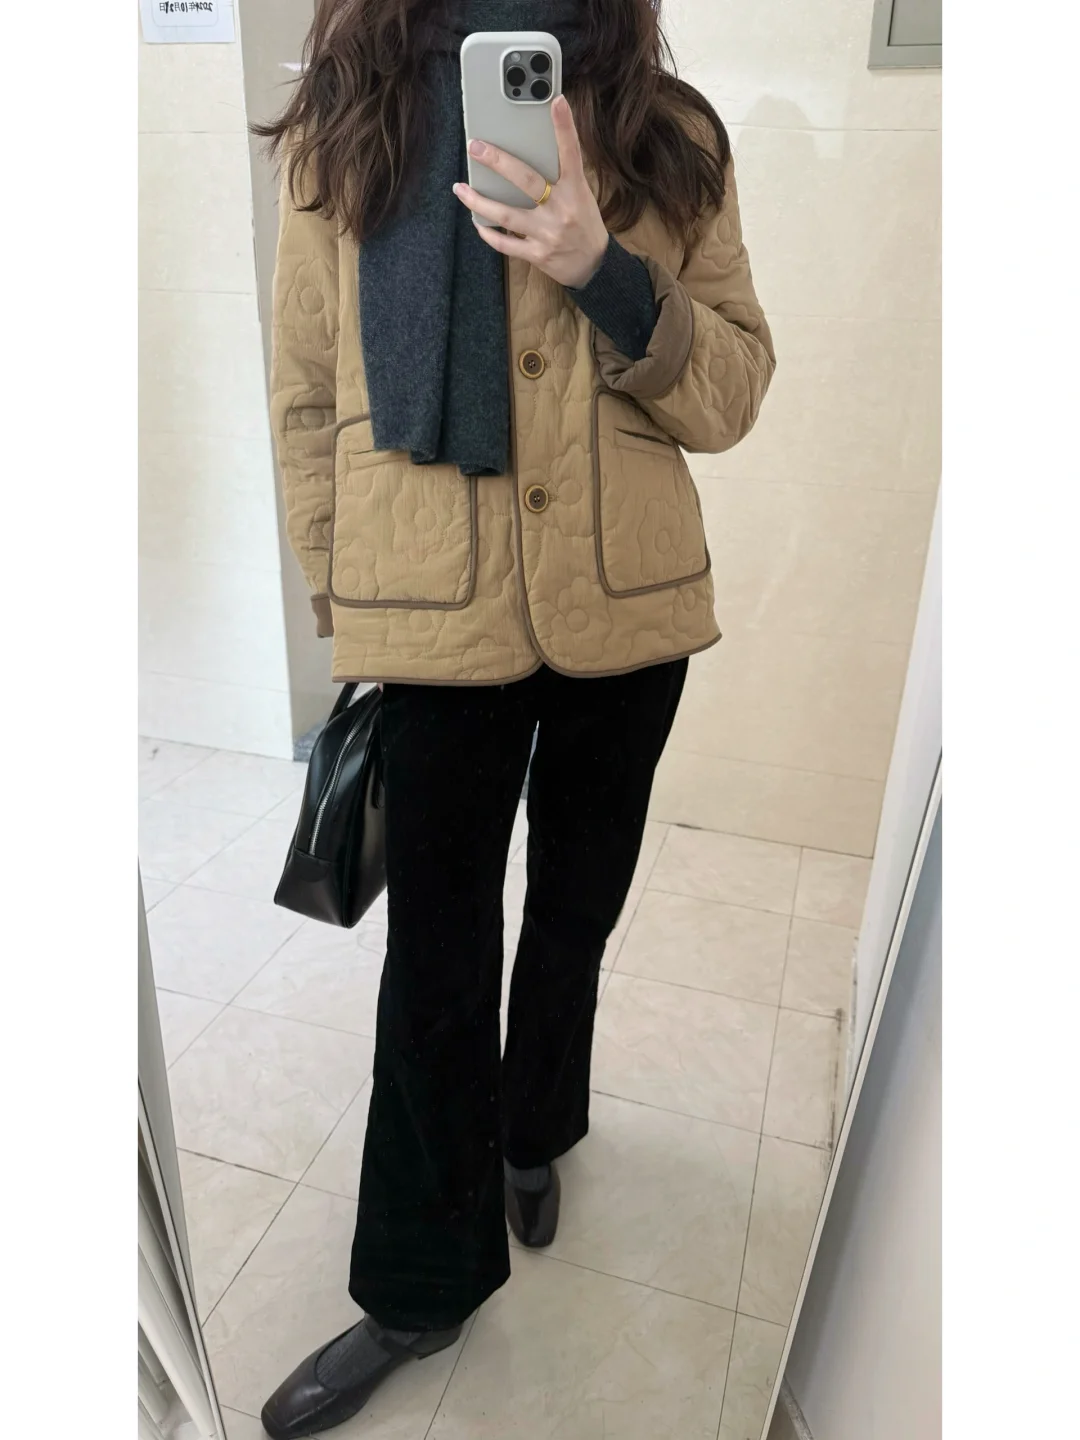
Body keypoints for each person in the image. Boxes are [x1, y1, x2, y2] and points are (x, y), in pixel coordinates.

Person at [256, 0, 774, 1434]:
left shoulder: (668, 136)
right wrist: (342, 588)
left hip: (627, 609)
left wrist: (606, 270)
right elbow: (307, 390)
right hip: (432, 614)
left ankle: (536, 1125)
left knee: (574, 914)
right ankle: (416, 1286)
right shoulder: (350, 128)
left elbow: (734, 388)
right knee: (433, 962)